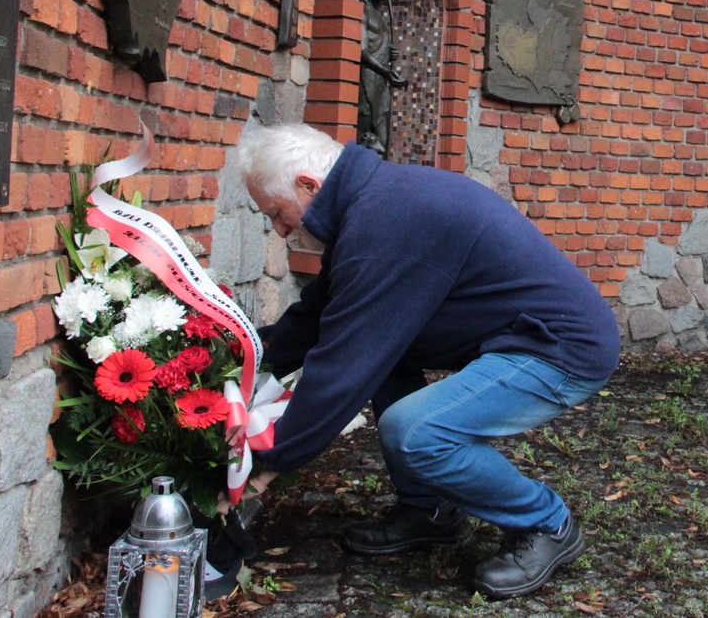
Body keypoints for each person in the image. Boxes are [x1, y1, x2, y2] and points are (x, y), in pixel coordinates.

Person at [231, 121, 621, 600]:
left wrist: (272, 454)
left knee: (415, 432)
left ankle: (548, 523)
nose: (280, 228)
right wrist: (237, 355)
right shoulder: (373, 204)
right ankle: (429, 513)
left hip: (560, 348)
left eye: (276, 212)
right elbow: (320, 316)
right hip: (517, 337)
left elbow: (344, 363)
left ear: (309, 186)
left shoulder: (384, 220)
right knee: (385, 360)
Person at [357, 0, 406, 155]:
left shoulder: (380, 14)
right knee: (363, 140)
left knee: (383, 145)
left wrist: (389, 51)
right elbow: (362, 51)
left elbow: (376, 44)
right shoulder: (363, 12)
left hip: (380, 88)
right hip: (367, 85)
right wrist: (387, 72)